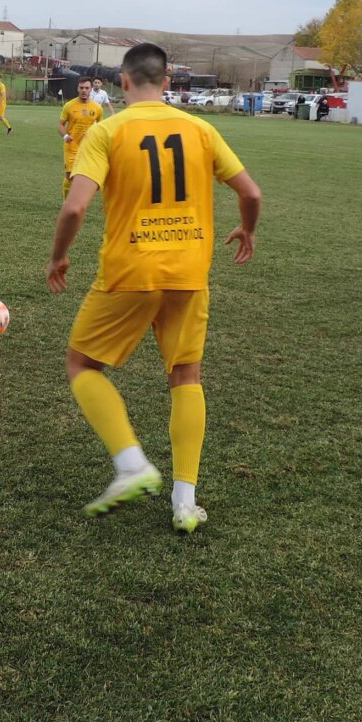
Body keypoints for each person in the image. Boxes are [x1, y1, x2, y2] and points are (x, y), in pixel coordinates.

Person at [47, 43, 261, 534]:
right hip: (189, 271)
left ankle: (132, 465)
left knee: (82, 364)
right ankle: (185, 503)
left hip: (130, 270)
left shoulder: (108, 131)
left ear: (122, 82)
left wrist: (58, 257)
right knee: (186, 376)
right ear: (166, 83)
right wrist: (248, 230)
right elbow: (250, 192)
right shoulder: (200, 129)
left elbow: (75, 207)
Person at [58, 77, 103, 198]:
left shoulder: (97, 108)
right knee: (70, 176)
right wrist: (66, 136)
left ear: (91, 89)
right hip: (71, 146)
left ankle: (77, 200)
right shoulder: (69, 105)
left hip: (88, 148)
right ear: (77, 88)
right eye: (81, 88)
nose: (84, 90)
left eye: (87, 88)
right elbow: (60, 125)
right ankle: (67, 202)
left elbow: (100, 128)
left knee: (86, 177)